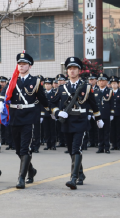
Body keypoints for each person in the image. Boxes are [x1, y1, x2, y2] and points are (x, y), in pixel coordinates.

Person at [51, 57, 103, 190]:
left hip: (81, 120)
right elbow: (51, 103)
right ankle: (80, 172)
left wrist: (98, 118)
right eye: (69, 69)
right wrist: (58, 113)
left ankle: (74, 178)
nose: (72, 71)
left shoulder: (86, 86)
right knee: (70, 149)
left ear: (79, 71)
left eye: (74, 68)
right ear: (67, 71)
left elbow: (93, 103)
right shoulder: (62, 87)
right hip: (67, 121)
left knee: (76, 148)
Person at [0, 52, 49, 189]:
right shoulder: (12, 80)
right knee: (18, 149)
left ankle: (21, 178)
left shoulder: (36, 81)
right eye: (19, 64)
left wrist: (51, 110)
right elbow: (3, 93)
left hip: (29, 117)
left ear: (29, 66)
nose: (21, 66)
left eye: (24, 64)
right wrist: (0, 102)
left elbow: (43, 99)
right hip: (15, 116)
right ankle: (31, 170)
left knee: (25, 148)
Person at [94, 73, 114, 154]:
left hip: (106, 114)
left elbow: (112, 103)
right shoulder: (95, 91)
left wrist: (112, 113)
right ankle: (100, 147)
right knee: (99, 132)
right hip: (98, 114)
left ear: (106, 82)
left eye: (103, 81)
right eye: (100, 81)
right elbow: (93, 104)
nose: (101, 82)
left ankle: (107, 147)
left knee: (106, 131)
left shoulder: (109, 91)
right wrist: (93, 114)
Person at [109, 76, 120, 151]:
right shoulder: (109, 93)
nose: (114, 85)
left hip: (118, 114)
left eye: (115, 83)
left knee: (118, 130)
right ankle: (113, 144)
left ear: (118, 84)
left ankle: (118, 145)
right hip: (111, 114)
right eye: (112, 84)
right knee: (112, 130)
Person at [42, 78, 57, 150]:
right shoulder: (43, 93)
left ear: (51, 85)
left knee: (53, 130)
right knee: (46, 130)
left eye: (48, 84)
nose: (47, 86)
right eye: (46, 84)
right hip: (45, 114)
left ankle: (53, 144)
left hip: (52, 114)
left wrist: (55, 113)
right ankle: (48, 144)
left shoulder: (54, 93)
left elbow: (56, 103)